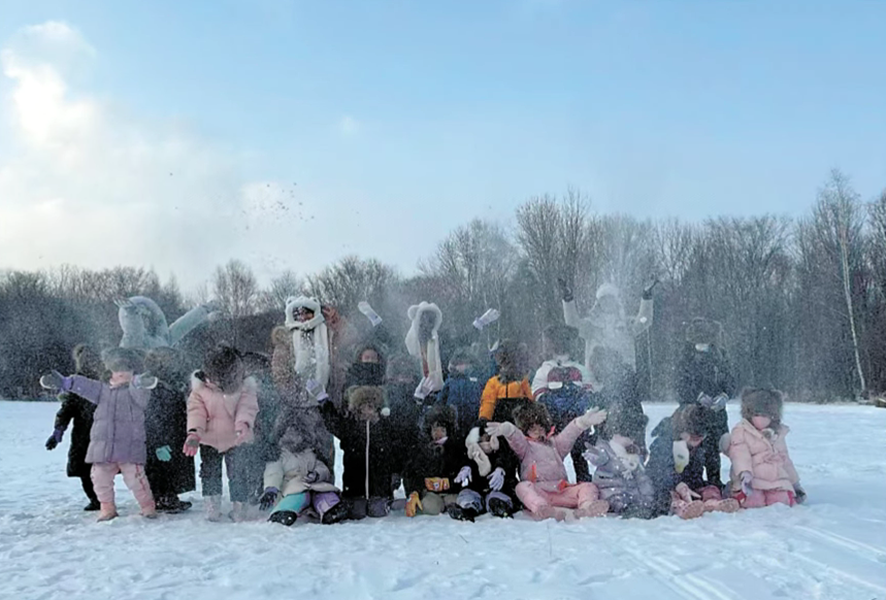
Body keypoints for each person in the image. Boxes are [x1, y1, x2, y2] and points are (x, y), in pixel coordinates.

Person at [39, 347, 158, 521]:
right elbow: (84, 386)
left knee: (136, 480)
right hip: (103, 447)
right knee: (100, 479)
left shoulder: (136, 391)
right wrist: (65, 382)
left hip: (129, 447)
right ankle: (107, 508)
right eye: (116, 371)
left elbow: (142, 394)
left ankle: (148, 507)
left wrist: (141, 382)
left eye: (125, 371)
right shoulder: (103, 391)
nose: (120, 375)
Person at [486, 403, 610, 521]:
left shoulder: (555, 444)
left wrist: (582, 422)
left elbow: (569, 434)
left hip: (562, 490)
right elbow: (516, 438)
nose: (537, 431)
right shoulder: (525, 447)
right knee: (521, 487)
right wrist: (508, 429)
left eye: (540, 428)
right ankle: (542, 509)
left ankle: (587, 507)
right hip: (540, 492)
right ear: (525, 431)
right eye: (532, 429)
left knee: (588, 486)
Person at [184, 346, 259, 522]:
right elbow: (196, 412)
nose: (211, 381)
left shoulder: (244, 388)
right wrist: (194, 433)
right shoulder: (200, 389)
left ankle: (239, 506)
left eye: (217, 378)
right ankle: (212, 506)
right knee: (209, 472)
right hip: (209, 440)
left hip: (236, 439)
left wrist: (243, 424)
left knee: (238, 472)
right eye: (209, 376)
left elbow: (247, 407)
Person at [259, 379, 348, 526]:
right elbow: (273, 472)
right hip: (292, 488)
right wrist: (271, 488)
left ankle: (331, 510)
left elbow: (321, 467)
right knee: (297, 498)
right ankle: (284, 512)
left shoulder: (310, 452)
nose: (296, 439)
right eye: (291, 435)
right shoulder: (280, 455)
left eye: (299, 435)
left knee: (325, 494)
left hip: (314, 485)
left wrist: (317, 474)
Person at [646, 404, 739, 520]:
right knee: (670, 496)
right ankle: (681, 508)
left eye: (701, 437)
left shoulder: (703, 444)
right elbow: (661, 469)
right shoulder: (665, 442)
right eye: (693, 436)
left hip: (692, 483)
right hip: (665, 484)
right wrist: (677, 484)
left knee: (710, 489)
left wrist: (715, 484)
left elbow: (712, 462)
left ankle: (714, 503)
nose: (698, 440)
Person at [320, 385, 398, 519]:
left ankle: (384, 500)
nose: (367, 411)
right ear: (357, 408)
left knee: (378, 512)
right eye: (363, 407)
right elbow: (333, 422)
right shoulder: (350, 427)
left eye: (371, 406)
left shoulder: (384, 427)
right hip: (355, 490)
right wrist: (324, 403)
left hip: (379, 490)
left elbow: (399, 439)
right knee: (357, 513)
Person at [675, 318, 735, 489]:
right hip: (691, 412)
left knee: (714, 448)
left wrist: (725, 394)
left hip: (716, 411)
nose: (702, 345)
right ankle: (691, 481)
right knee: (692, 446)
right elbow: (680, 383)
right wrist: (696, 396)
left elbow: (730, 379)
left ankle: (714, 482)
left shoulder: (720, 356)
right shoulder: (685, 358)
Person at [44, 344, 103, 511]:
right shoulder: (76, 384)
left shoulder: (107, 379)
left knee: (107, 468)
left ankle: (103, 499)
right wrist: (58, 431)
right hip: (84, 435)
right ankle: (96, 499)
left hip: (107, 432)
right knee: (85, 469)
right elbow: (67, 409)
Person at [531, 324, 594, 481]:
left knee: (579, 454)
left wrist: (580, 402)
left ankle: (584, 483)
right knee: (553, 454)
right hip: (554, 422)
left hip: (576, 420)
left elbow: (590, 390)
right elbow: (537, 392)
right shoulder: (545, 369)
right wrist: (551, 404)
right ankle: (551, 483)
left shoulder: (579, 369)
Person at [558, 278, 655, 377]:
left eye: (610, 298)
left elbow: (644, 321)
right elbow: (573, 324)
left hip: (625, 378)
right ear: (599, 303)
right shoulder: (591, 326)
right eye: (604, 299)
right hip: (595, 379)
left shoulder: (627, 325)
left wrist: (646, 295)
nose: (607, 302)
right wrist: (568, 299)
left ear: (616, 301)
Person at [727, 388, 805, 508]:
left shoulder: (777, 433)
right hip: (752, 479)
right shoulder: (742, 430)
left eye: (766, 415)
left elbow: (785, 459)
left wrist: (795, 483)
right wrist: (745, 473)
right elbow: (739, 454)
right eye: (757, 414)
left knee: (780, 502)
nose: (761, 419)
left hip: (777, 480)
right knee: (753, 501)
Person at [143, 347, 195, 513]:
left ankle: (168, 495)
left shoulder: (171, 382)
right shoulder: (154, 386)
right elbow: (153, 416)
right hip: (162, 436)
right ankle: (163, 497)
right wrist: (158, 443)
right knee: (162, 468)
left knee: (172, 467)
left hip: (175, 432)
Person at [584, 403, 655, 518]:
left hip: (630, 491)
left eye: (632, 437)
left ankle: (640, 508)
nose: (631, 440)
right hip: (609, 489)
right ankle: (614, 507)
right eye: (628, 436)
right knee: (617, 499)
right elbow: (600, 457)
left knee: (638, 498)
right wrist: (595, 455)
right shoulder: (606, 449)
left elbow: (641, 477)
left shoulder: (633, 453)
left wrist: (648, 495)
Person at [449, 420, 519, 521]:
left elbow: (509, 461)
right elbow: (459, 461)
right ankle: (467, 509)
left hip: (497, 489)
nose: (485, 441)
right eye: (481, 438)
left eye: (488, 437)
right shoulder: (470, 454)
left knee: (496, 497)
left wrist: (501, 469)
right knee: (467, 495)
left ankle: (501, 507)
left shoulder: (501, 451)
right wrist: (465, 467)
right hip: (476, 488)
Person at [403, 405, 463, 517]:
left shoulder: (456, 449)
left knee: (460, 502)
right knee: (429, 507)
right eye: (435, 430)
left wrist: (449, 482)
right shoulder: (422, 449)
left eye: (442, 430)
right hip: (431, 494)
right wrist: (416, 490)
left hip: (452, 492)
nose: (438, 434)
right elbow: (412, 473)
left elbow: (462, 473)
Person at [478, 340, 533, 422]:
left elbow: (488, 405)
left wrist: (484, 421)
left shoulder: (494, 382)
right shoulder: (523, 382)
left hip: (499, 427)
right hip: (520, 427)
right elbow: (531, 404)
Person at [437, 347, 485, 440]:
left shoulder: (479, 378)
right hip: (455, 422)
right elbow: (441, 400)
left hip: (474, 420)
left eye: (462, 363)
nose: (460, 366)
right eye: (458, 364)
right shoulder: (451, 381)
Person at [404, 302, 444, 400]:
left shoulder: (440, 342)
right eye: (424, 319)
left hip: (437, 391)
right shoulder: (408, 343)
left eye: (431, 319)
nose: (427, 324)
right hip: (413, 388)